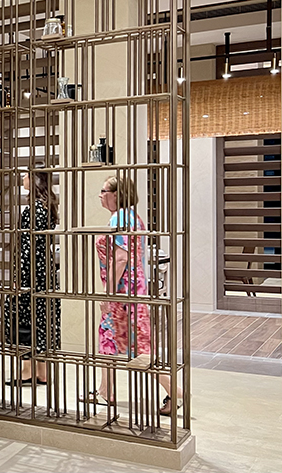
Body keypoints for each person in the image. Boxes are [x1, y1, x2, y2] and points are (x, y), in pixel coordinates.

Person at [88, 176, 182, 416]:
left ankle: (177, 391)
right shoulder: (132, 217)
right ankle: (104, 391)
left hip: (123, 293)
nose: (100, 195)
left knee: (136, 347)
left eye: (103, 191)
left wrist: (108, 294)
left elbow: (120, 259)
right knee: (112, 341)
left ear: (116, 194)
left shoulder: (120, 218)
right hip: (131, 291)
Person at [5, 171, 60, 385]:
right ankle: (42, 371)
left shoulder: (32, 210)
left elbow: (27, 248)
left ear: (35, 181)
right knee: (43, 318)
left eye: (26, 176)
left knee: (23, 317)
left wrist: (18, 276)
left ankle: (27, 370)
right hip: (45, 271)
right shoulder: (47, 207)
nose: (23, 179)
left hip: (31, 272)